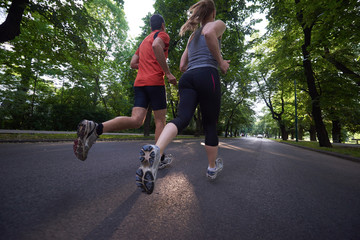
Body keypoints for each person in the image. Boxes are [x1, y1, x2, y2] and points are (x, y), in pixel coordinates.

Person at [136, 0, 230, 194]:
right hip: (208, 74)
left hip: (188, 78)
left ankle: (157, 150)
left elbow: (181, 66)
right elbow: (209, 33)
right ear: (212, 13)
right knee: (210, 124)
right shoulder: (217, 24)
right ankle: (212, 168)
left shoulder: (191, 36)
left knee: (181, 118)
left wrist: (196, 69)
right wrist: (220, 62)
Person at [73, 14, 177, 168]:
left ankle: (96, 127)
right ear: (162, 25)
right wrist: (167, 73)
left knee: (136, 120)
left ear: (150, 27)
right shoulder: (162, 35)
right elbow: (156, 45)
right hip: (155, 82)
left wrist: (146, 64)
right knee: (160, 121)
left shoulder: (143, 42)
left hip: (140, 83)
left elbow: (133, 63)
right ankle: (159, 158)